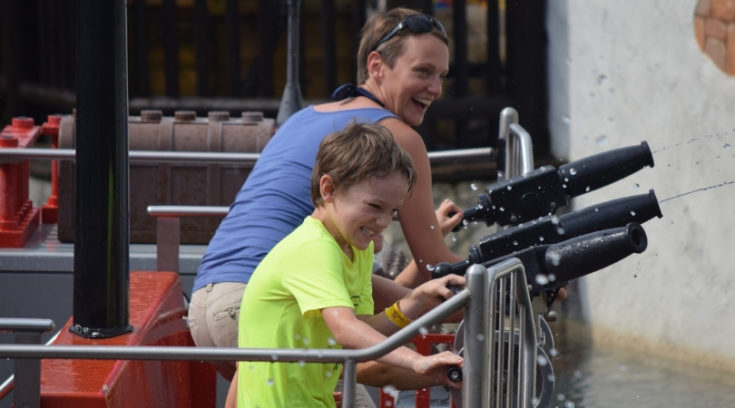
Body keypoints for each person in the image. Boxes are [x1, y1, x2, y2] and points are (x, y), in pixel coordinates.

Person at [187, 6, 465, 382]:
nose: (436, 88)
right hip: (264, 305)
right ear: (377, 65)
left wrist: (418, 297)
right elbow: (442, 277)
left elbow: (372, 296)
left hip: (209, 304)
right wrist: (520, 286)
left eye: (441, 76)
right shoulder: (398, 138)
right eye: (423, 72)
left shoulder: (306, 116)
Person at [229, 121, 464, 408]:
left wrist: (415, 301)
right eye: (374, 207)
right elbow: (345, 330)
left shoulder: (356, 249)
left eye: (392, 212)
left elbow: (363, 328)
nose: (383, 223)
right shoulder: (313, 248)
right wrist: (417, 362)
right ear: (328, 189)